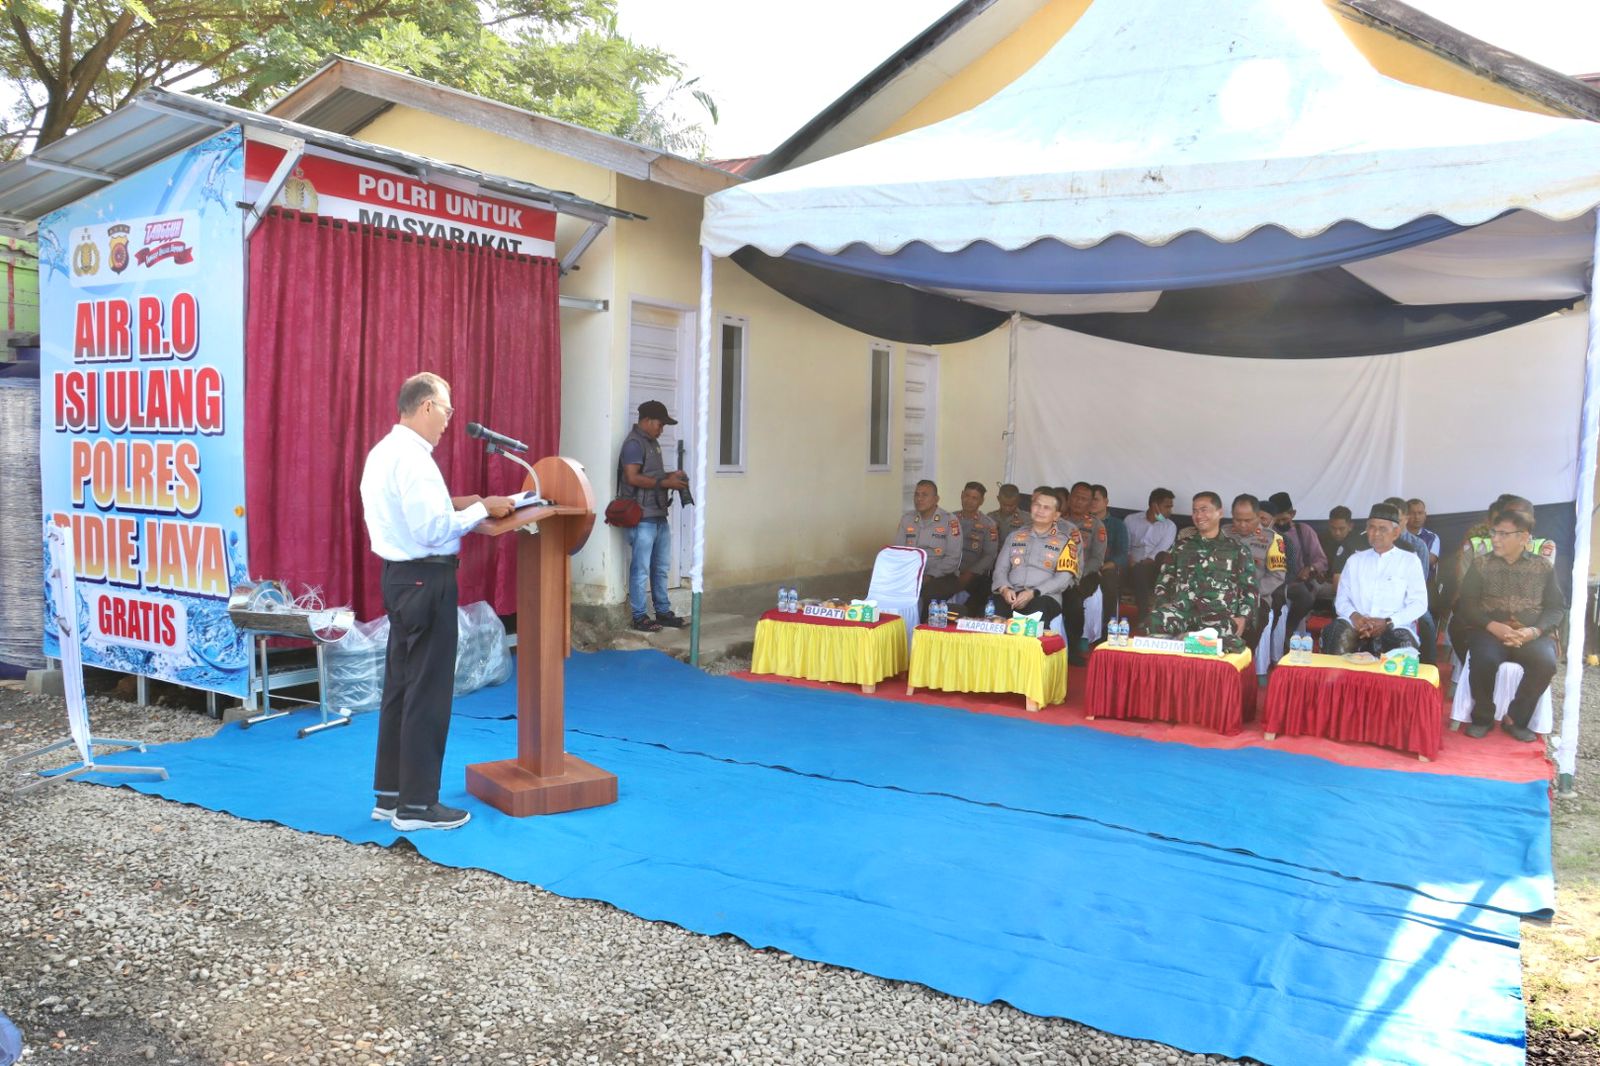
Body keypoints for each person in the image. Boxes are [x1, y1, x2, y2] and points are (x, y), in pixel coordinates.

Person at [360, 372, 515, 832]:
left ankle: (390, 796)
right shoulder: (415, 459)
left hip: (399, 578)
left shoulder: (384, 452)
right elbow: (432, 530)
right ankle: (418, 806)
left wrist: (468, 504)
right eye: (446, 411)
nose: (449, 421)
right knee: (427, 693)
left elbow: (416, 514)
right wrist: (482, 510)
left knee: (401, 689)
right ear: (426, 406)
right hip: (428, 579)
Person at [1455, 508, 1565, 741]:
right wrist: (1492, 625)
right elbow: (1467, 604)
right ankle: (1483, 717)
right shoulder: (1480, 564)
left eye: (1503, 534)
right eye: (1494, 532)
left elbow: (1556, 607)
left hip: (1530, 634)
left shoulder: (1543, 566)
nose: (1495, 538)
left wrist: (1533, 631)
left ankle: (1516, 719)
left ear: (1523, 537)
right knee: (1483, 659)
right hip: (1489, 631)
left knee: (1545, 663)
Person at [1145, 491, 1257, 653]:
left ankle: (1185, 640)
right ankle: (1193, 641)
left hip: (1218, 617)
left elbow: (1249, 588)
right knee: (1154, 620)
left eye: (1204, 509)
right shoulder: (1180, 547)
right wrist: (1163, 605)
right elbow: (1164, 580)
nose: (1199, 515)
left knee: (1228, 636)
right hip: (1183, 612)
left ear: (1219, 513)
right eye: (1195, 511)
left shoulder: (1237, 550)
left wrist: (1244, 617)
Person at [617, 400, 692, 633]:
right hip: (642, 516)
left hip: (658, 514)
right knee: (640, 568)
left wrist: (673, 476)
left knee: (660, 567)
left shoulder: (652, 443)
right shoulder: (633, 444)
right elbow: (632, 477)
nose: (662, 430)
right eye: (660, 424)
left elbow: (653, 475)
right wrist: (664, 482)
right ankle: (639, 616)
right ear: (647, 421)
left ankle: (662, 611)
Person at [1321, 503, 1428, 657]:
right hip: (1356, 625)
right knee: (1334, 634)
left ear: (1396, 532)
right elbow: (1342, 598)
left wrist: (1389, 622)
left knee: (1401, 646)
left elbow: (1419, 603)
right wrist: (1355, 616)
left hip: (1393, 625)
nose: (1376, 533)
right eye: (1372, 527)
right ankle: (1338, 681)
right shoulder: (1355, 560)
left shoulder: (1410, 561)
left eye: (1383, 529)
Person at [990, 487, 1083, 629]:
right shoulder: (1014, 536)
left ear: (1056, 515)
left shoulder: (1067, 543)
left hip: (1043, 597)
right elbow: (1000, 569)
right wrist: (1004, 589)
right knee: (992, 617)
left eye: (1046, 508)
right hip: (1011, 594)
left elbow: (1063, 579)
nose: (1040, 510)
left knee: (1035, 616)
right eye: (1037, 505)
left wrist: (1033, 593)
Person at [1218, 494, 1289, 656]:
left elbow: (1277, 576)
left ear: (1258, 516)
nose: (1242, 525)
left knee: (1244, 641)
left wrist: (1247, 593)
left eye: (1248, 520)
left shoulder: (1273, 540)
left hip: (1256, 600)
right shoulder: (1221, 534)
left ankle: (1241, 667)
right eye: (1237, 520)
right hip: (1221, 597)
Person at [898, 479, 964, 618]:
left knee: (930, 593)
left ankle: (921, 630)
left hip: (941, 575)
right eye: (916, 495)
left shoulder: (949, 521)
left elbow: (953, 558)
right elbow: (898, 552)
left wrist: (930, 575)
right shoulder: (907, 519)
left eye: (924, 495)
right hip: (912, 574)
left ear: (936, 499)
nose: (919, 499)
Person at [1266, 491, 1326, 638]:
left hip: (1298, 580)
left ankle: (1288, 631)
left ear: (1293, 514)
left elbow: (1322, 561)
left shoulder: (1304, 531)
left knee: (1304, 596)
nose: (1280, 524)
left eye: (1284, 519)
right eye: (1277, 520)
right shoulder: (1267, 533)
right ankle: (1274, 635)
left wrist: (1310, 568)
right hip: (1272, 581)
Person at [1060, 481, 1107, 663]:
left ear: (1090, 503)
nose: (1079, 502)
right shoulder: (1057, 520)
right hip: (1056, 573)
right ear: (1070, 498)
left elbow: (1097, 558)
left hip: (1085, 574)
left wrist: (1076, 573)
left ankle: (1072, 649)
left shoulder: (1096, 525)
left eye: (1084, 499)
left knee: (1074, 603)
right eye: (1076, 497)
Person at [1123, 488, 1177, 625]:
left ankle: (1143, 615)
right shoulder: (1131, 520)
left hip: (1152, 569)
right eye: (1167, 507)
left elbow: (1158, 553)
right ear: (1155, 506)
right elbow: (1125, 546)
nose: (1170, 511)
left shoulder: (1170, 526)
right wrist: (1130, 560)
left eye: (1171, 507)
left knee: (1141, 570)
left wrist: (1137, 565)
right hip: (1127, 564)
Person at [954, 481, 1000, 605]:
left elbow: (990, 555)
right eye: (967, 496)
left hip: (975, 574)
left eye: (974, 498)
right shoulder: (949, 519)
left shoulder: (988, 525)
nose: (969, 501)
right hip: (950, 571)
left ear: (981, 501)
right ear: (962, 495)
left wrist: (970, 573)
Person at [1091, 484, 1129, 637]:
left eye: (1096, 499)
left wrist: (1104, 566)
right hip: (1084, 568)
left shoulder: (1117, 525)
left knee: (1110, 581)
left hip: (1107, 568)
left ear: (1106, 501)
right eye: (1090, 500)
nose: (1092, 503)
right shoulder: (1081, 522)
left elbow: (1122, 554)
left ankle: (1108, 629)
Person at [1406, 498, 1440, 582]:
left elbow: (1429, 561)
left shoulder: (1432, 537)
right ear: (1405, 516)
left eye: (1420, 513)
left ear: (1425, 515)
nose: (1417, 517)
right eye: (1412, 513)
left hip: (1424, 585)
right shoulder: (1395, 535)